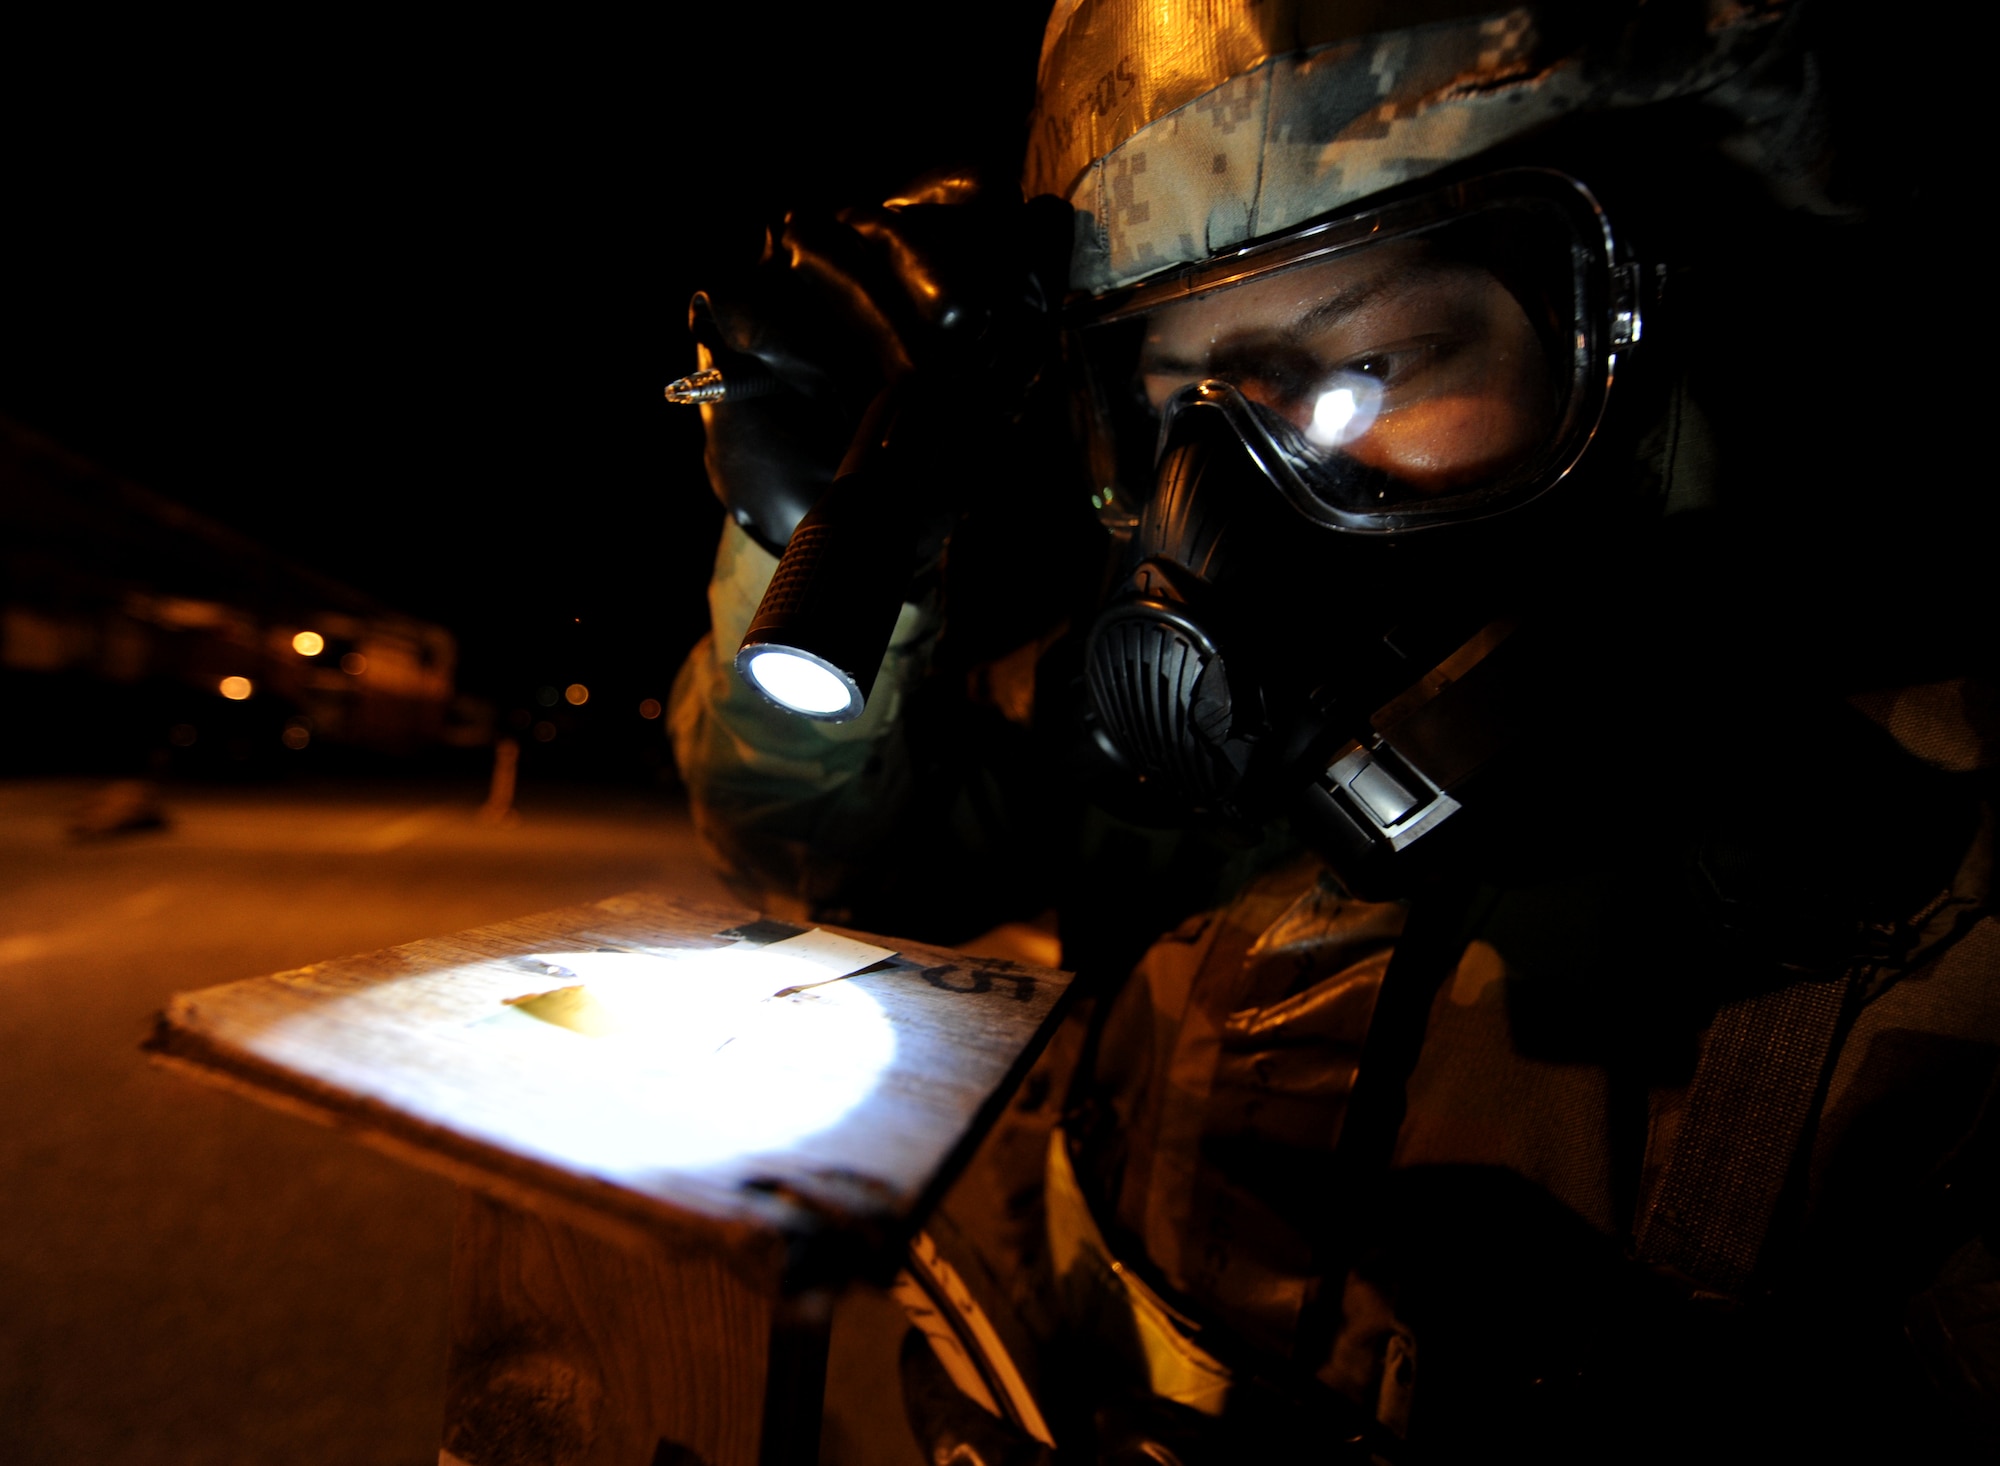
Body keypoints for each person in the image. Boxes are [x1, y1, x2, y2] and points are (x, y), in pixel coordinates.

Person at [669, 1, 1996, 1458]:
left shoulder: (1935, 923)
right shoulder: (1230, 778)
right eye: (1180, 402)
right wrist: (808, 532)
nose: (1225, 521)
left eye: (1374, 365)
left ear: (1654, 331)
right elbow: (813, 829)